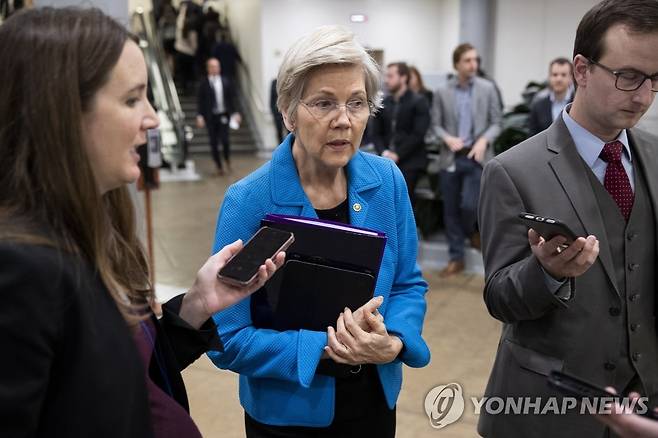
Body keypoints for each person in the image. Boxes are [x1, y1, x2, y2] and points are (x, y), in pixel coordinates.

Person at [0, 7, 283, 437]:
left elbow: (134, 369)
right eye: (132, 99)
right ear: (59, 112)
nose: (152, 118)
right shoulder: (23, 271)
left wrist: (196, 306)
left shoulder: (99, 234)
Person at [208, 25, 430, 437]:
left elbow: (407, 285)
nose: (344, 121)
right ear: (288, 112)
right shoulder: (250, 201)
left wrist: (395, 342)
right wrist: (323, 348)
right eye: (324, 103)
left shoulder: (387, 182)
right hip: (287, 415)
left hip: (373, 403)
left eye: (357, 103)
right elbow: (227, 337)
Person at [477, 0, 658, 436]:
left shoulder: (654, 155)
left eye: (654, 79)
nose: (643, 96)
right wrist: (545, 273)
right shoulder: (513, 170)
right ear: (581, 69)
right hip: (548, 408)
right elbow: (499, 297)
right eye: (628, 76)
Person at [431, 43, 502, 277]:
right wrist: (448, 138)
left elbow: (496, 122)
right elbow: (436, 125)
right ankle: (456, 257)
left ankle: (472, 232)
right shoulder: (442, 92)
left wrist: (484, 141)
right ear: (456, 64)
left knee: (470, 205)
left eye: (475, 60)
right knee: (450, 208)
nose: (474, 65)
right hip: (452, 157)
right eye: (468, 60)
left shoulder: (487, 88)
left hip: (476, 156)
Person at [372, 61, 431, 205]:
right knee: (381, 199)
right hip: (385, 158)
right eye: (386, 76)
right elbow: (375, 132)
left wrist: (397, 154)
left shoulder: (419, 101)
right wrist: (384, 152)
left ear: (403, 78)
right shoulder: (384, 102)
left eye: (391, 76)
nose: (386, 80)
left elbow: (418, 134)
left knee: (402, 200)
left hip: (410, 160)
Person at [196, 57, 241, 175]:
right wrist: (200, 116)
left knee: (225, 140)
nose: (215, 69)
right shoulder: (203, 83)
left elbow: (231, 99)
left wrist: (235, 113)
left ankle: (227, 160)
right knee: (213, 142)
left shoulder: (226, 81)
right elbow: (200, 101)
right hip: (210, 117)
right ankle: (218, 165)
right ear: (208, 69)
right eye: (213, 66)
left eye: (217, 66)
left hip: (223, 115)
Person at [528, 57, 574, 136]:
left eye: (563, 75)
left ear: (571, 78)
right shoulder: (538, 106)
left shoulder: (579, 104)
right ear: (549, 77)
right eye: (555, 75)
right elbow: (532, 136)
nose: (559, 79)